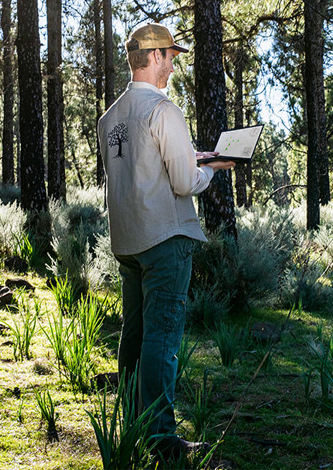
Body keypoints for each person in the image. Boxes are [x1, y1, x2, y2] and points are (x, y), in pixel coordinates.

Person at [97, 23, 234, 459]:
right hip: (165, 237)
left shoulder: (110, 117)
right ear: (154, 57)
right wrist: (213, 168)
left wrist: (191, 156)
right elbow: (183, 181)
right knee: (163, 339)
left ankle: (132, 426)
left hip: (129, 240)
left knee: (134, 335)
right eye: (171, 56)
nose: (173, 65)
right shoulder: (164, 110)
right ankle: (161, 439)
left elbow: (142, 164)